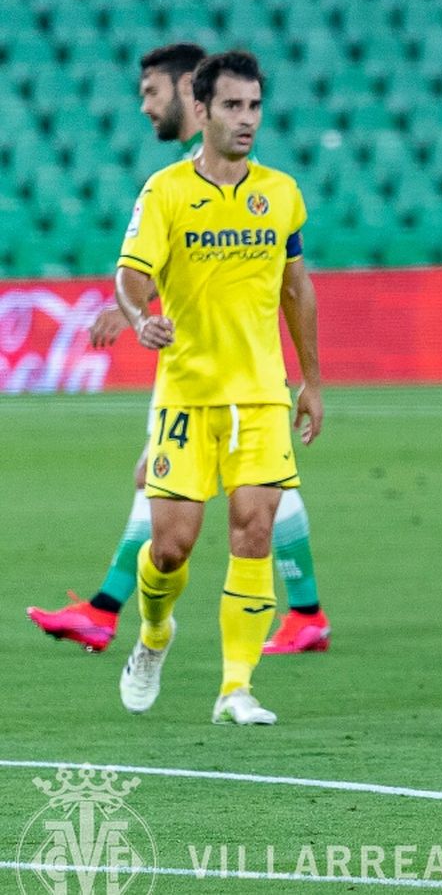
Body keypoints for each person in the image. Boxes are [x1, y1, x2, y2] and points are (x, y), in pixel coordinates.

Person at [26, 43, 330, 656]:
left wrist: (140, 305)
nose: (144, 107)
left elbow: (261, 272)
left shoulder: (253, 183)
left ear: (187, 90)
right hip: (207, 373)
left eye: (151, 93)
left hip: (220, 374)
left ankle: (109, 610)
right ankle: (305, 612)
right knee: (248, 493)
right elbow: (187, 262)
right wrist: (135, 303)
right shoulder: (174, 187)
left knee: (209, 491)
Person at [113, 50, 324, 724]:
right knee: (171, 548)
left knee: (253, 531)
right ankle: (152, 635)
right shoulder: (165, 192)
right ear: (201, 110)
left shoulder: (282, 194)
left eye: (256, 106)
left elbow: (297, 288)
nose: (248, 119)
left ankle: (236, 687)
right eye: (234, 106)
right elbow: (130, 276)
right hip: (186, 397)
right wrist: (139, 316)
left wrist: (312, 380)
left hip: (260, 396)